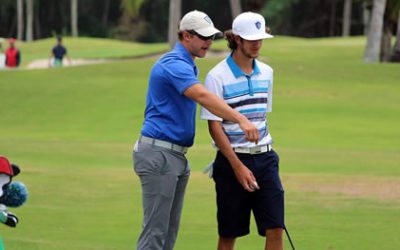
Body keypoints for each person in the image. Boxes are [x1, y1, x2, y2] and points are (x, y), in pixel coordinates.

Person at [133, 10, 260, 250]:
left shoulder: (187, 64)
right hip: (159, 155)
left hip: (174, 156)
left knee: (168, 233)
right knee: (155, 234)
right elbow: (202, 95)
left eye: (211, 37)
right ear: (186, 36)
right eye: (203, 37)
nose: (208, 42)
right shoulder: (174, 63)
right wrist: (240, 119)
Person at [200, 12, 285, 250]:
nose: (257, 44)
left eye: (260, 39)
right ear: (236, 39)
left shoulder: (267, 72)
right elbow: (214, 126)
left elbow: (261, 116)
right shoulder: (217, 76)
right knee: (229, 233)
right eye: (251, 39)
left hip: (266, 159)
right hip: (231, 161)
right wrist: (238, 166)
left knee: (276, 228)